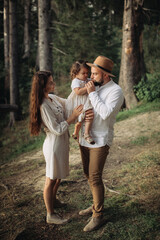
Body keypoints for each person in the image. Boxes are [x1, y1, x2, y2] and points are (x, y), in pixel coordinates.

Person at [29, 71, 83, 224]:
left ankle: (53, 200)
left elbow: (68, 102)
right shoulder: (43, 105)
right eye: (50, 82)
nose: (54, 84)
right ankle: (50, 214)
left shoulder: (52, 98)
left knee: (58, 176)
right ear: (42, 85)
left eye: (53, 81)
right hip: (53, 145)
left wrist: (80, 87)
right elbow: (57, 129)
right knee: (50, 179)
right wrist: (71, 118)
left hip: (61, 144)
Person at [78, 56, 124, 232]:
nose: (91, 77)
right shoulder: (95, 86)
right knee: (87, 174)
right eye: (91, 73)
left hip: (101, 139)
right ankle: (96, 203)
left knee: (95, 176)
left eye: (95, 73)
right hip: (86, 137)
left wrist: (91, 94)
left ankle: (98, 215)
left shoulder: (116, 91)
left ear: (105, 75)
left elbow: (104, 113)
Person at [66, 60, 95, 144]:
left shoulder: (86, 80)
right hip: (79, 101)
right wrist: (88, 87)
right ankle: (80, 133)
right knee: (81, 118)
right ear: (76, 73)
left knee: (88, 115)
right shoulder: (76, 81)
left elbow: (93, 81)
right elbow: (78, 92)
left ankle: (85, 133)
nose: (86, 75)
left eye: (87, 73)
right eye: (83, 73)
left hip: (86, 101)